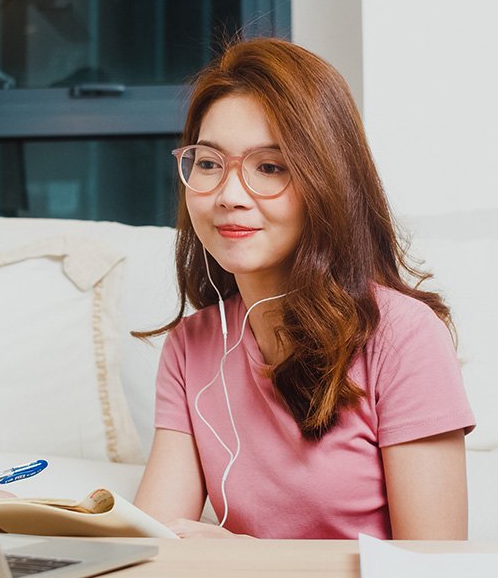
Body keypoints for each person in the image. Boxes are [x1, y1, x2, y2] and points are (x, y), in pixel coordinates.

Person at [132, 37, 475, 540]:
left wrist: (251, 564)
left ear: (329, 181)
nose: (229, 196)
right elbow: (155, 542)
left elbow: (430, 569)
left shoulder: (402, 336)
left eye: (270, 167)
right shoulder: (192, 344)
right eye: (208, 163)